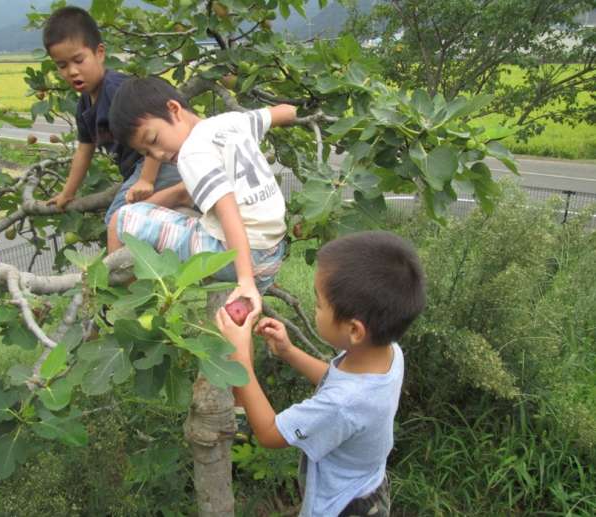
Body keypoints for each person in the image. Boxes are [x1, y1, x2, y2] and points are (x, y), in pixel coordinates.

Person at [215, 231, 426, 517]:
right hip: (368, 486)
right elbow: (336, 378)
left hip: (341, 508)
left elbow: (268, 433)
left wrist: (240, 357)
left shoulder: (343, 405)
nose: (314, 308)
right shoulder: (387, 353)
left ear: (354, 330)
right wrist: (289, 351)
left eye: (318, 304)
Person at [107, 76, 296, 314]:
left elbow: (229, 212)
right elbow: (281, 112)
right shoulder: (230, 122)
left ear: (174, 109)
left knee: (120, 219)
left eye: (153, 140)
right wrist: (297, 111)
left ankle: (133, 309)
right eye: (147, 153)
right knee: (175, 200)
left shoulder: (192, 153)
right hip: (274, 248)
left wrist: (245, 279)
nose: (158, 154)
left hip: (244, 256)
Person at [41, 6, 189, 230]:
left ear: (99, 53)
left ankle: (182, 202)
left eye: (78, 60)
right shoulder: (83, 106)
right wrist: (67, 194)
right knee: (125, 220)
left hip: (161, 161)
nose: (72, 71)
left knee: (117, 220)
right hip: (140, 170)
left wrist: (146, 180)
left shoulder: (117, 89)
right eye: (62, 66)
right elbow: (84, 151)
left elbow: (155, 134)